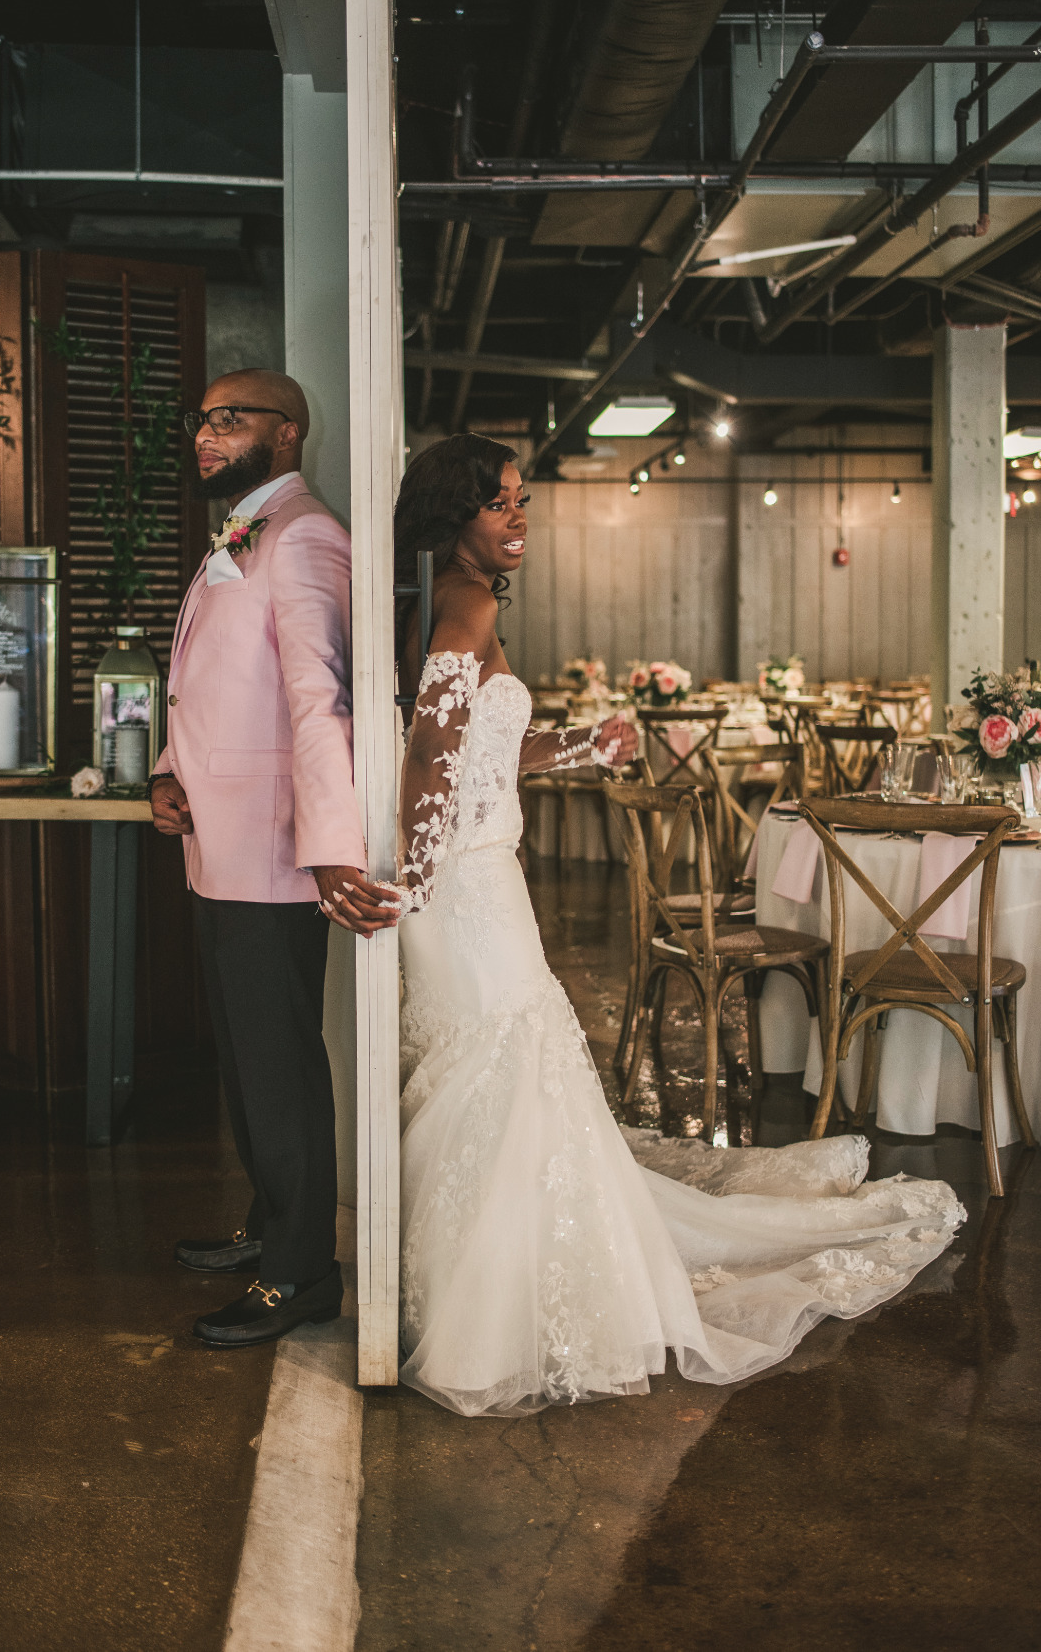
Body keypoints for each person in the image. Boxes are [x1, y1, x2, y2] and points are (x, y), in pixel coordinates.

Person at [390, 433, 964, 1417]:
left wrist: (579, 744)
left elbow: (488, 752)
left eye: (523, 501)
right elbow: (434, 759)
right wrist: (408, 877)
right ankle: (500, 1301)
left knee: (509, 1068)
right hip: (461, 886)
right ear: (455, 515)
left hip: (471, 878)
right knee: (498, 1067)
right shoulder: (466, 606)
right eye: (500, 504)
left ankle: (505, 1280)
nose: (518, 519)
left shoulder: (446, 604)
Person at [150, 368, 396, 1350]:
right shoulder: (243, 531)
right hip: (220, 838)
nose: (206, 436)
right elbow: (208, 686)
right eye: (201, 420)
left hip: (275, 853)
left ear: (286, 432)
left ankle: (300, 1275)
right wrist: (171, 770)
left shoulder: (304, 538)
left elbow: (316, 698)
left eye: (230, 419)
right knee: (249, 1062)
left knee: (280, 1065)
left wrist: (335, 844)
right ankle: (268, 1224)